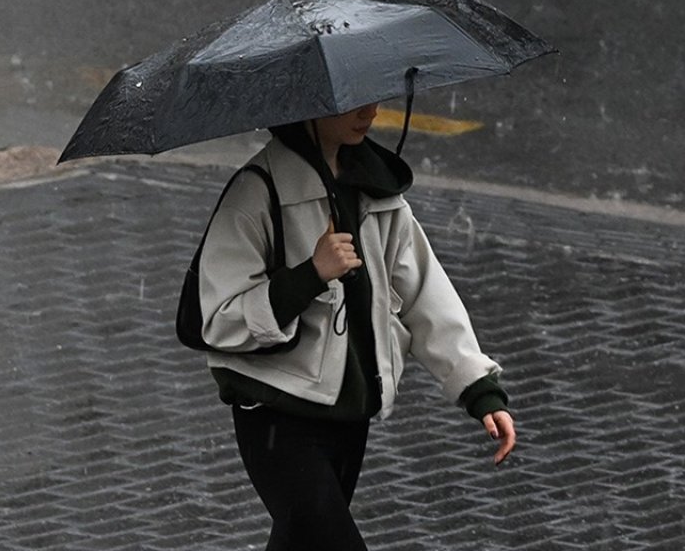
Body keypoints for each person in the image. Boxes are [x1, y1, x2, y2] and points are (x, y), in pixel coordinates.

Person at [196, 102, 515, 549]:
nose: (369, 111)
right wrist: (311, 274)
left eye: (373, 95)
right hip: (277, 415)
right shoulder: (258, 191)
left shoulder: (377, 188)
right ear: (308, 105)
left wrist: (478, 389)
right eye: (348, 101)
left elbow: (425, 293)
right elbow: (220, 318)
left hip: (349, 415)